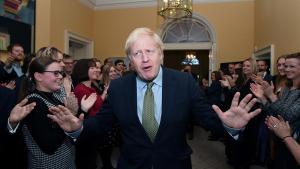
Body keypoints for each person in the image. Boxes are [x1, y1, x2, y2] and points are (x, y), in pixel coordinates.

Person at [47, 27, 261, 169]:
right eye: (137, 53)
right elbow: (102, 123)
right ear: (131, 59)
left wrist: (230, 127)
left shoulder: (183, 83)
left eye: (150, 51)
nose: (145, 58)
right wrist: (76, 127)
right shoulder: (119, 87)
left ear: (161, 54)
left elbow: (206, 118)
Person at [8, 47, 77, 169]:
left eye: (60, 73)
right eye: (55, 73)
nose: (61, 76)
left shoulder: (52, 97)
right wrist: (69, 118)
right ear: (39, 77)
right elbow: (49, 145)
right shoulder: (34, 102)